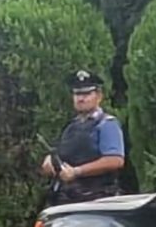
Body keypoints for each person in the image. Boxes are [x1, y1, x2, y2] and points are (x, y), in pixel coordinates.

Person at [41, 70, 125, 206]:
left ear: (99, 96)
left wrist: (77, 172)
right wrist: (50, 161)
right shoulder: (70, 126)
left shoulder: (107, 124)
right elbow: (62, 154)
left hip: (98, 200)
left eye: (86, 94)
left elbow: (115, 160)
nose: (81, 99)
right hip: (66, 199)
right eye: (77, 94)